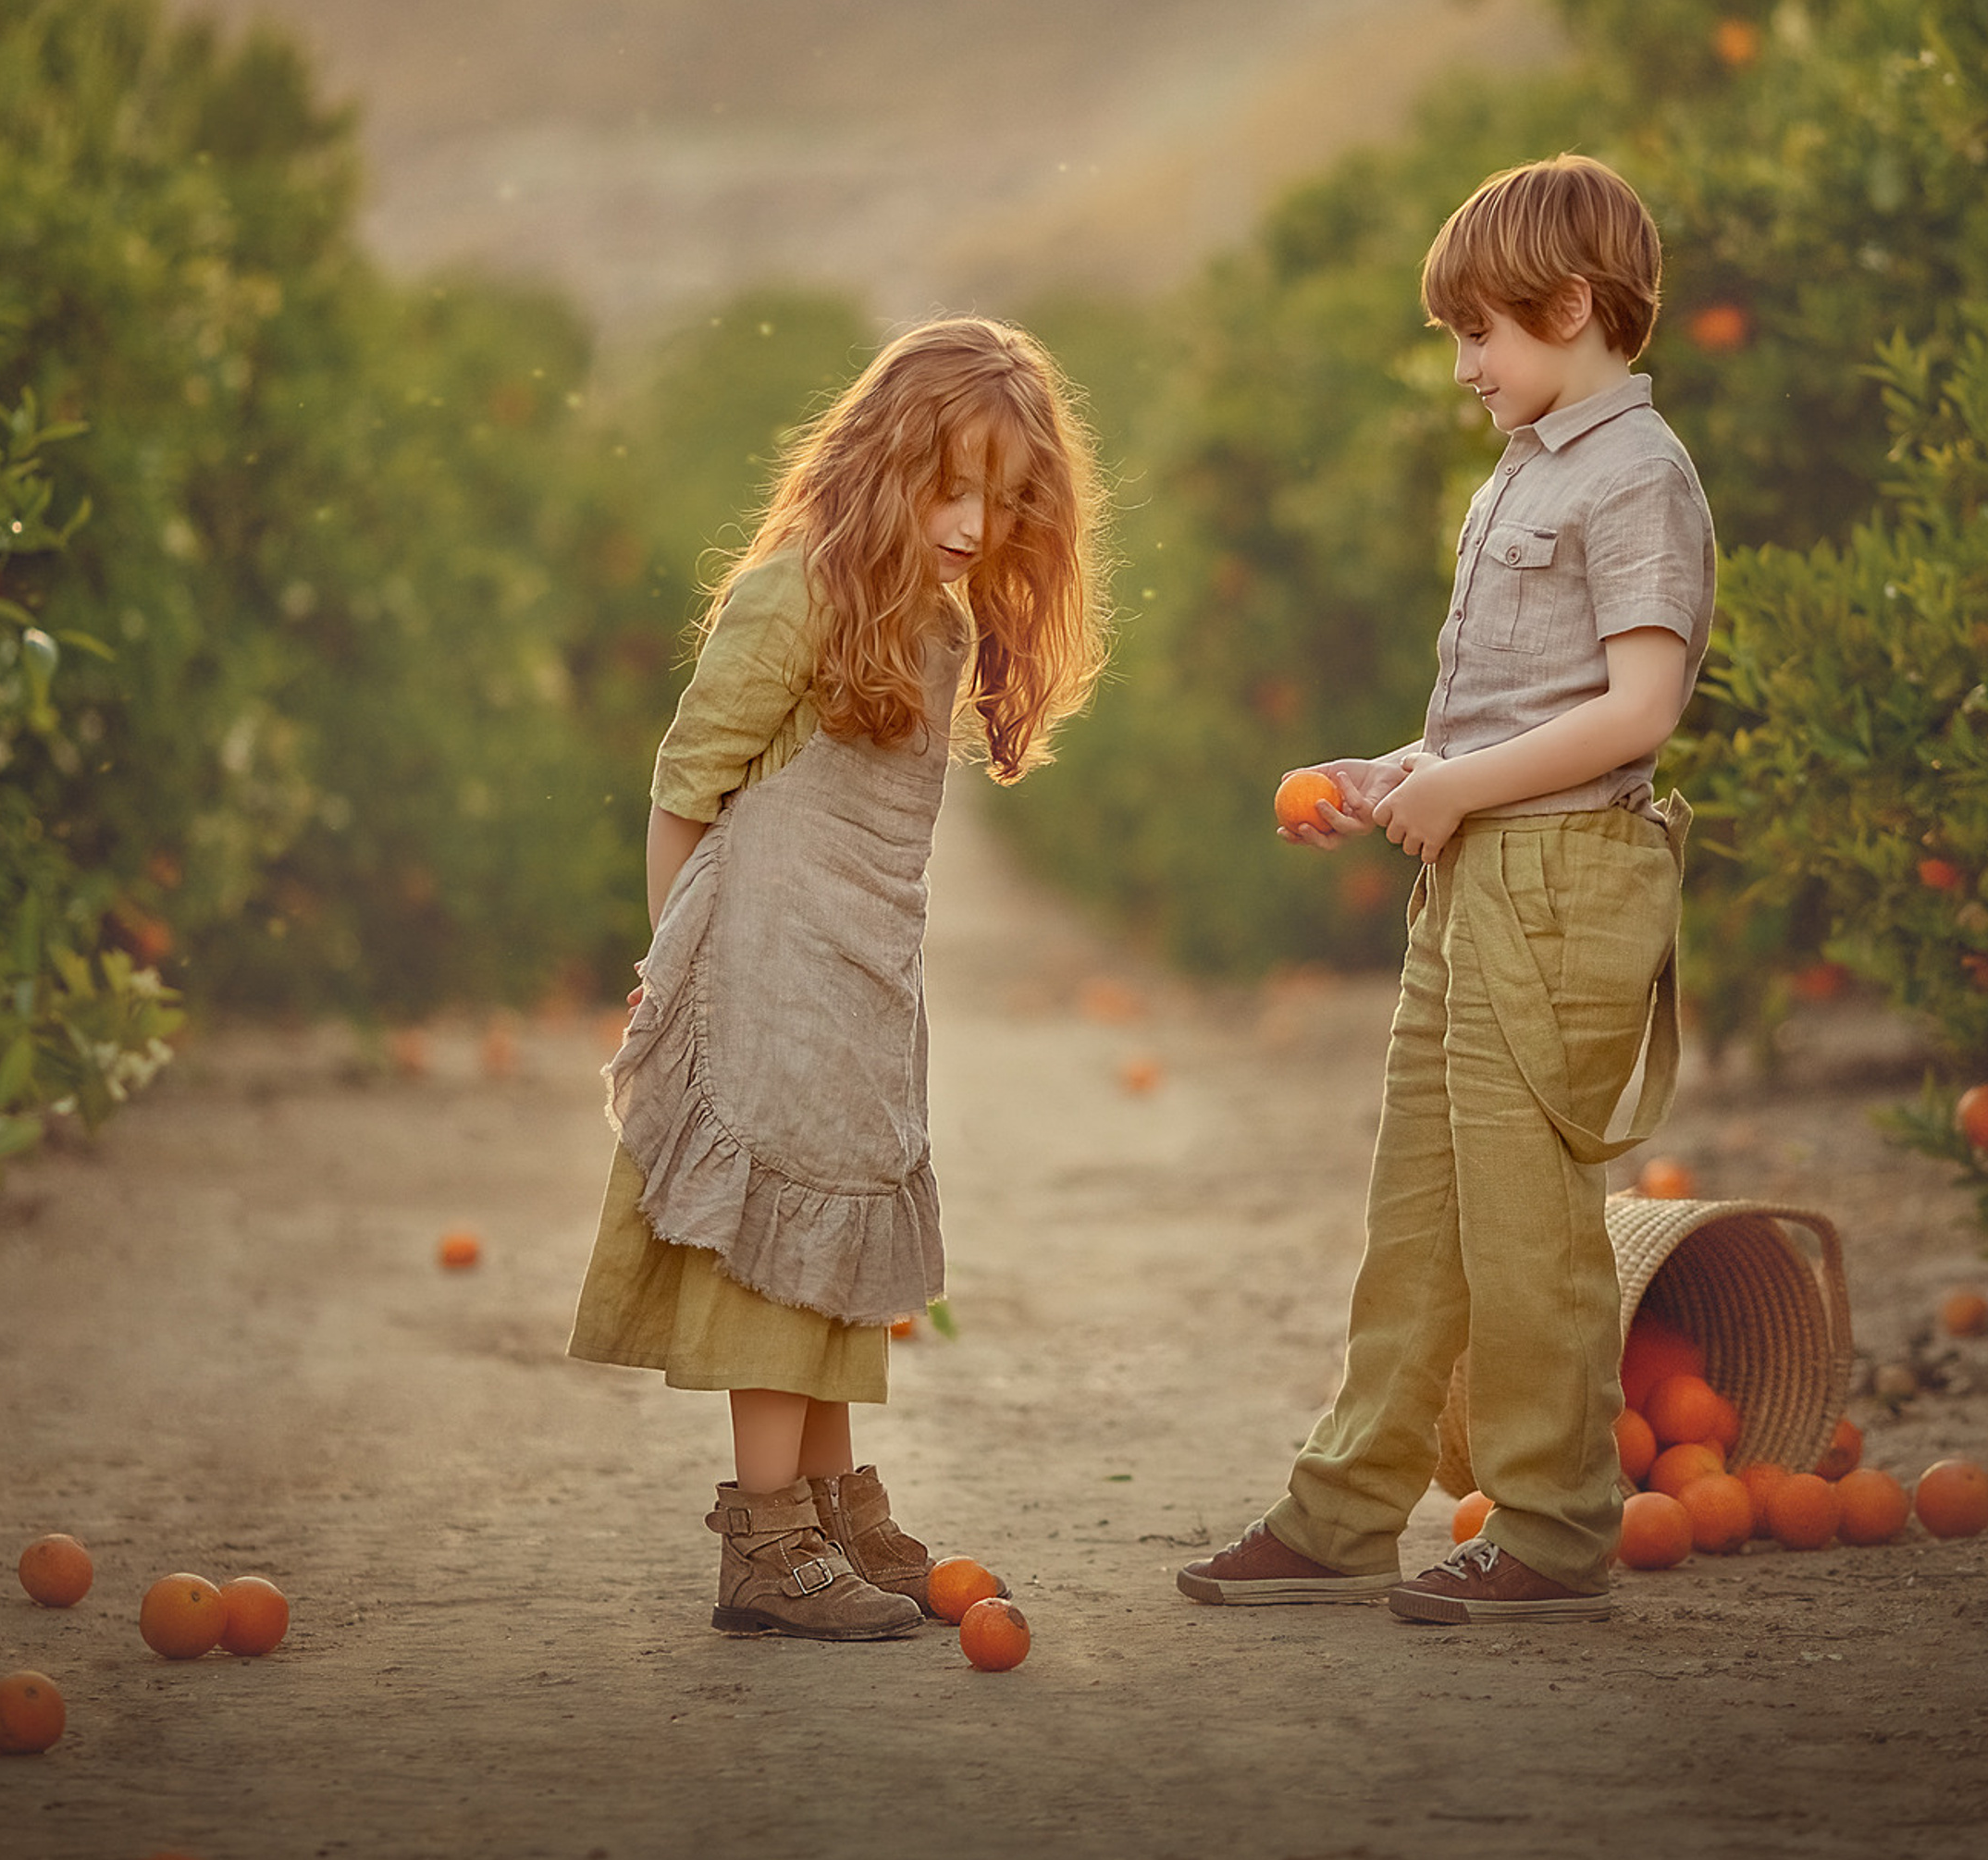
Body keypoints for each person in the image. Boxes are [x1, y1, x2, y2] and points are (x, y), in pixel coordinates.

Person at [1179, 153, 1715, 1625]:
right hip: (1474, 879)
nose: (1466, 365)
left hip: (1559, 884)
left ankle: (1552, 1528)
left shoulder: (1639, 476)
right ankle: (1346, 1511)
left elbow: (1641, 709)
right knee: (1415, 1215)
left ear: (1572, 306)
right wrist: (1396, 773)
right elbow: (1504, 716)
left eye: (1480, 333)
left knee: (1530, 1226)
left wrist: (1464, 790)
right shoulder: (1526, 468)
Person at [569, 315, 1107, 1639]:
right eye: (949, 487)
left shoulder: (934, 622)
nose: (975, 526)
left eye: (1004, 500)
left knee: (839, 1225)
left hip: (860, 970)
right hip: (761, 961)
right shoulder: (796, 591)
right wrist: (674, 971)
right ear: (881, 462)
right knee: (776, 1237)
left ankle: (832, 1505)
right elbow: (684, 789)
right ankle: (765, 1536)